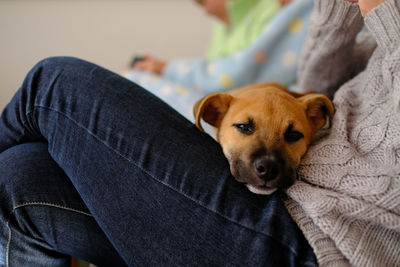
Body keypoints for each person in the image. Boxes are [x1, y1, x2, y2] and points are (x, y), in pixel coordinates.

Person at [0, 0, 399, 267]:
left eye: (290, 136)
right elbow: (319, 82)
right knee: (19, 176)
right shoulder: (378, 45)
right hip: (282, 215)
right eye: (245, 129)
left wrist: (385, 9)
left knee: (55, 83)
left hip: (310, 243)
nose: (267, 159)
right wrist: (345, 7)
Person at [126, 0, 313, 120]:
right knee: (135, 80)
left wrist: (168, 68)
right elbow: (213, 75)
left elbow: (237, 74)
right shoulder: (221, 31)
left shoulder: (273, 8)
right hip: (228, 98)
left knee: (136, 82)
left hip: (252, 99)